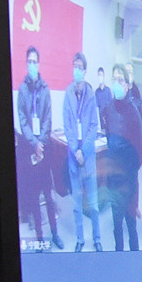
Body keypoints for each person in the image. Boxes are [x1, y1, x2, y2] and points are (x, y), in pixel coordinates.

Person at [14, 46, 60, 248]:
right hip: (29, 151)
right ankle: (40, 238)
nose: (32, 65)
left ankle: (55, 234)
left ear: (39, 64)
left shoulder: (45, 88)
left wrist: (40, 143)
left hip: (44, 149)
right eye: (29, 62)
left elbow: (48, 118)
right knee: (33, 196)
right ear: (27, 64)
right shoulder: (22, 90)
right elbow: (23, 121)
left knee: (48, 195)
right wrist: (34, 144)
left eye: (35, 61)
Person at [97, 64, 142, 251]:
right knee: (117, 226)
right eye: (114, 79)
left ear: (127, 85)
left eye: (120, 80)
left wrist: (129, 172)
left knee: (131, 226)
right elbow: (109, 138)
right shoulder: (108, 108)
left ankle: (134, 260)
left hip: (129, 181)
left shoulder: (133, 111)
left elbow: (140, 149)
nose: (117, 84)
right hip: (114, 180)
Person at [60, 53, 102, 252]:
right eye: (74, 66)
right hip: (73, 157)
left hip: (88, 157)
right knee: (77, 205)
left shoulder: (91, 95)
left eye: (80, 67)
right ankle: (80, 239)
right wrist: (75, 150)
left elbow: (94, 126)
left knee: (93, 204)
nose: (76, 70)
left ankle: (97, 238)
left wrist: (83, 151)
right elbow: (68, 126)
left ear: (85, 71)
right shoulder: (68, 94)